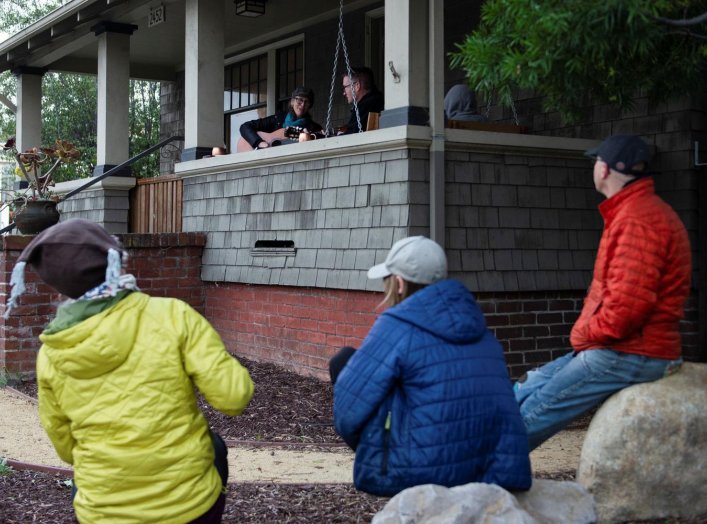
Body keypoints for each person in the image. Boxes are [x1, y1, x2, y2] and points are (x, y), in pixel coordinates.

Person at [4, 219, 254, 523]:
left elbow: (67, 449)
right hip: (188, 505)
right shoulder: (173, 316)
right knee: (215, 448)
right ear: (115, 260)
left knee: (83, 478)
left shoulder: (52, 354)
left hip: (102, 512)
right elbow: (234, 396)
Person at [514, 134, 691, 451]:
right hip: (623, 346)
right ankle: (470, 456)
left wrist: (584, 334)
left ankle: (473, 471)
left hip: (634, 351)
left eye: (597, 161)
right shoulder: (632, 212)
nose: (594, 166)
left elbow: (625, 312)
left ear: (607, 169)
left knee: (535, 411)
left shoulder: (639, 220)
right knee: (526, 389)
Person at [332, 236, 532, 497]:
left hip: (423, 470)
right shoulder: (479, 326)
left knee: (344, 362)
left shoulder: (398, 324)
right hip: (498, 466)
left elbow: (348, 412)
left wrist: (375, 450)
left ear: (400, 283)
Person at [239, 86, 322, 150]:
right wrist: (259, 142)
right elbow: (245, 127)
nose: (302, 105)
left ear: (309, 106)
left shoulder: (314, 128)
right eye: (299, 100)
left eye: (306, 102)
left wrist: (308, 138)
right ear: (292, 102)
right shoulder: (278, 119)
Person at [339, 66, 384, 134]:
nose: (344, 93)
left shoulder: (366, 105)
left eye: (345, 87)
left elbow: (351, 136)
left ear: (357, 86)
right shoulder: (376, 100)